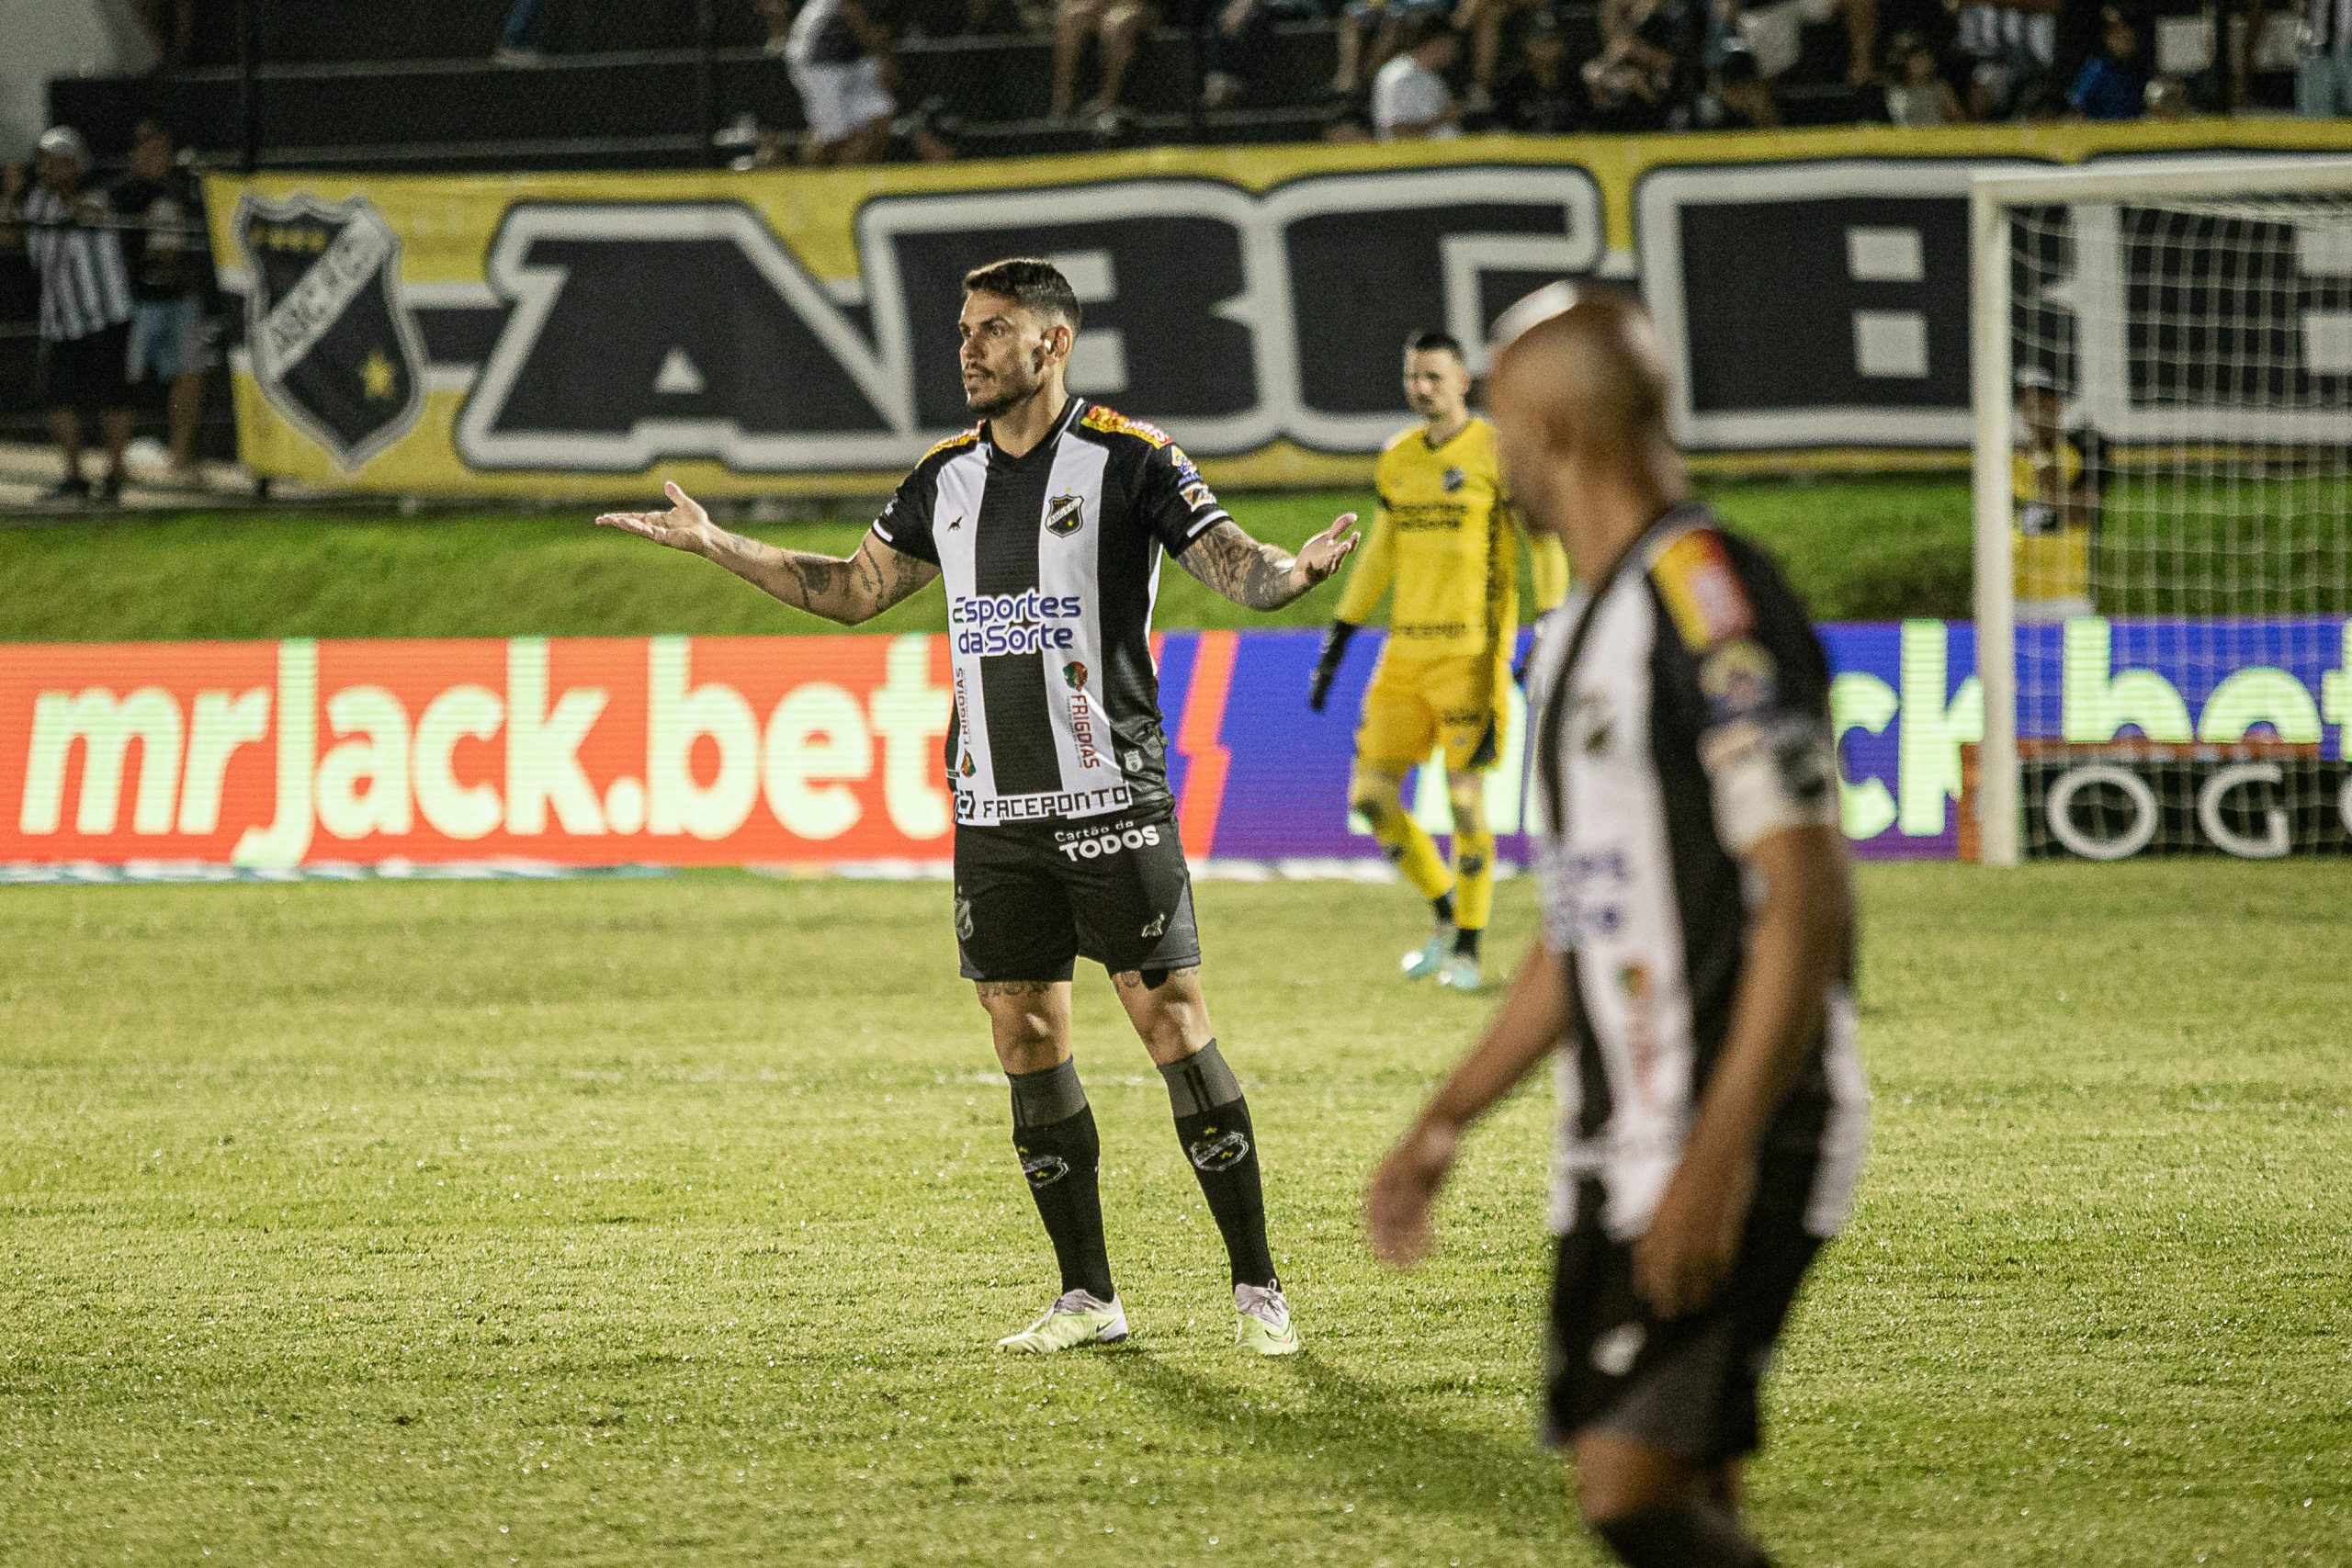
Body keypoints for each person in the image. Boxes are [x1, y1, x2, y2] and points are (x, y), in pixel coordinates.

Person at [593, 258, 1358, 1357]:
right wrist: (720, 544)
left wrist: (1294, 575)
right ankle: (1088, 1297)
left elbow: (1233, 564)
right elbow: (851, 589)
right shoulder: (944, 477)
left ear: (1054, 342)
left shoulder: (1132, 459)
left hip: (1110, 796)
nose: (968, 348)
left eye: (993, 329)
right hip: (995, 809)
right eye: (964, 330)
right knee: (1024, 1033)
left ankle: (1257, 1287)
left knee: (1171, 1024)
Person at [1365, 291, 1867, 1568]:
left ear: (1554, 430)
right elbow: (1577, 928)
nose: (1495, 457)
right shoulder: (1579, 629)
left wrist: (1718, 1154)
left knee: (1628, 1490)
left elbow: (1808, 890)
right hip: (1615, 1136)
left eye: (1504, 426)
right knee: (1685, 1485)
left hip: (1729, 1122)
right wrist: (1445, 1118)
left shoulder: (1707, 597)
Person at [1308, 330, 1567, 993]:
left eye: (1433, 376)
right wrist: (1340, 635)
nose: (1420, 388)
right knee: (1370, 799)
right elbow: (1380, 552)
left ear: (1463, 382)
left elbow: (1542, 544)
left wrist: (1551, 623)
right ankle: (1447, 912)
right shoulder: (1397, 458)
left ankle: (1470, 951)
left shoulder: (1496, 452)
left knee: (1465, 802)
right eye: (1412, 377)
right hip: (1403, 655)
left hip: (1471, 657)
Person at [1, 127, 135, 505]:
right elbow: (10, 235)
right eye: (44, 162)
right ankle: (74, 476)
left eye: (57, 162)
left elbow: (89, 213)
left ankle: (115, 472)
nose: (48, 169)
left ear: (76, 163)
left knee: (112, 396)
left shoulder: (99, 194)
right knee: (55, 397)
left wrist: (60, 189)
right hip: (61, 318)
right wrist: (11, 196)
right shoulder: (38, 201)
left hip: (104, 313)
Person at [112, 121, 211, 487]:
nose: (159, 157)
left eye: (164, 150)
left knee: (190, 375)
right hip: (136, 301)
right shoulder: (120, 193)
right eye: (150, 150)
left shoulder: (180, 190)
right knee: (124, 380)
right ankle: (116, 463)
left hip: (178, 297)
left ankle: (180, 455)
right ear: (134, 154)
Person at [2011, 367, 2105, 621]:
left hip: (2068, 598)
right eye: (2027, 402)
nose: (2037, 410)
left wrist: (2041, 457)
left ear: (2058, 404)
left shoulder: (2083, 450)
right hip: (2015, 597)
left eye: (2044, 400)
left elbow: (2077, 513)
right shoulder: (2010, 460)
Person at [785, 0, 900, 164]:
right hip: (818, 60)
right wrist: (882, 58)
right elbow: (856, 16)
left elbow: (878, 27)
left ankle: (860, 176)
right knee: (831, 136)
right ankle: (808, 178)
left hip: (851, 58)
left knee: (880, 115)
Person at [1051, 0, 1155, 122]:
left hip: (1141, 8)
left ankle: (1107, 100)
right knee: (1073, 18)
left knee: (1115, 24)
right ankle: (1063, 99)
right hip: (1108, 7)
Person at [1493, 10, 1590, 131]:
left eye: (1551, 41)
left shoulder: (1576, 83)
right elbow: (1502, 129)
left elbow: (1586, 128)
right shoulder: (1512, 85)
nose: (1545, 49)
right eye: (1539, 42)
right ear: (1527, 44)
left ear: (1561, 44)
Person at [1372, 15, 1464, 138]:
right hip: (1411, 150)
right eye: (1452, 46)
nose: (1454, 54)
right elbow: (1396, 130)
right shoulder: (1398, 76)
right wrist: (1441, 119)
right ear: (1439, 43)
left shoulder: (1434, 78)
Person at [2067, 6, 2149, 116]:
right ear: (2108, 39)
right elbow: (2077, 103)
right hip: (2098, 125)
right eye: (2118, 38)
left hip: (2132, 125)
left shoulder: (2138, 70)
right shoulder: (2097, 68)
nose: (2122, 44)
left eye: (2127, 39)